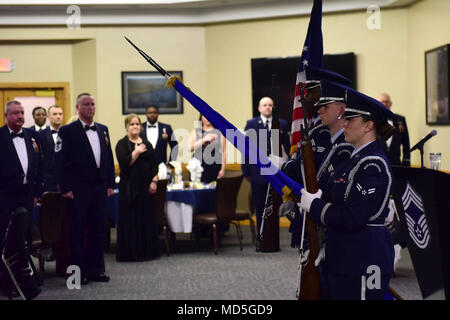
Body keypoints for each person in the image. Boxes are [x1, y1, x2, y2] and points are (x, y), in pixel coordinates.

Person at [298, 89, 395, 300]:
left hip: (363, 259)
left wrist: (315, 206)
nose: (344, 124)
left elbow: (353, 217)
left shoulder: (373, 164)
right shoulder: (354, 158)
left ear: (369, 125)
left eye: (351, 120)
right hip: (343, 256)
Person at [55, 93, 115, 285]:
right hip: (77, 190)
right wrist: (65, 188)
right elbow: (59, 162)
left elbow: (108, 158)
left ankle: (96, 270)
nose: (90, 108)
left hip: (99, 189)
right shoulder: (67, 131)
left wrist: (111, 184)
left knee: (98, 231)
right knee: (77, 232)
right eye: (86, 105)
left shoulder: (103, 130)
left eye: (93, 104)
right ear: (77, 108)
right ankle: (77, 274)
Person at [0, 100, 43, 296]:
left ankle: (25, 281)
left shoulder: (31, 136)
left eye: (22, 112)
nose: (20, 116)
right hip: (4, 197)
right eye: (15, 113)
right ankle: (7, 284)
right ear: (6, 116)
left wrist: (35, 193)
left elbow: (38, 165)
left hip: (27, 196)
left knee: (24, 240)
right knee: (6, 241)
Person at [242, 97, 290, 241]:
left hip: (276, 170)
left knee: (274, 206)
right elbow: (245, 149)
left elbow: (287, 147)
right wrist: (246, 171)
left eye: (270, 105)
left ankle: (273, 238)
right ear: (259, 108)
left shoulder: (281, 123)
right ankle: (261, 237)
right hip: (257, 171)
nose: (268, 107)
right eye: (265, 105)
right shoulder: (251, 124)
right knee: (260, 206)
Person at [115, 114, 161, 262]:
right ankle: (131, 253)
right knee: (130, 220)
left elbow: (154, 165)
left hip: (146, 187)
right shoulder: (122, 144)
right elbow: (124, 164)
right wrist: (136, 152)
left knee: (146, 219)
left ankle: (147, 252)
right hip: (129, 188)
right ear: (126, 127)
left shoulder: (147, 143)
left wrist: (154, 181)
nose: (135, 126)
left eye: (137, 124)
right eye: (132, 124)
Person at [188, 114, 227, 184]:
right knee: (197, 191)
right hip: (197, 167)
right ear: (201, 117)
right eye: (204, 116)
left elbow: (223, 151)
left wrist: (223, 169)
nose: (207, 118)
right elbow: (189, 148)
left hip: (214, 167)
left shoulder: (220, 132)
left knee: (213, 192)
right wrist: (204, 139)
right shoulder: (195, 131)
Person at [378, 93, 410, 166]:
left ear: (390, 104)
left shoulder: (400, 120)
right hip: (379, 163)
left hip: (396, 164)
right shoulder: (374, 120)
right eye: (381, 102)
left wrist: (406, 161)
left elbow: (406, 143)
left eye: (386, 102)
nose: (384, 104)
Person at [40, 105, 64, 192]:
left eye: (60, 114)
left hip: (66, 180)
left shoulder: (69, 133)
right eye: (55, 114)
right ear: (48, 117)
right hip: (48, 181)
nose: (58, 116)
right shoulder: (40, 135)